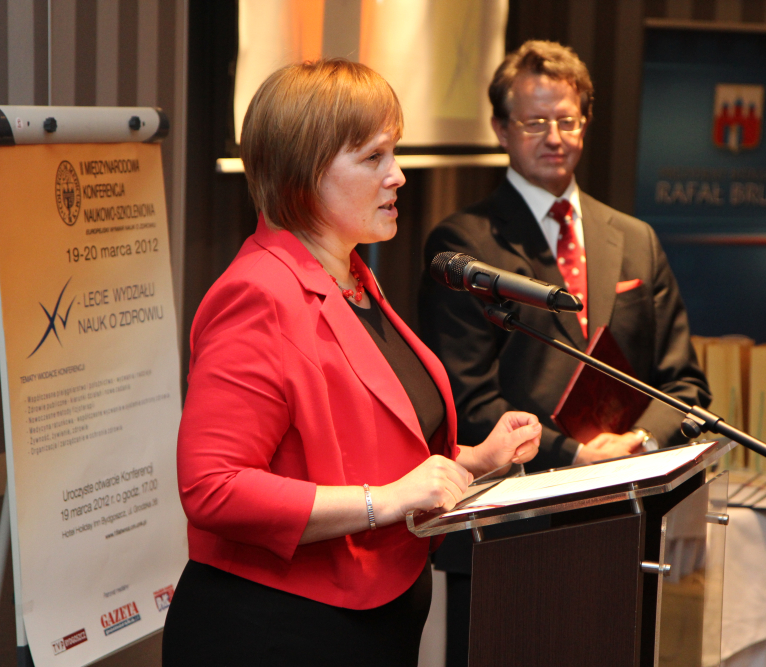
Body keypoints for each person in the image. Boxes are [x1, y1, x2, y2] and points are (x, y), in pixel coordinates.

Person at [162, 59, 542, 667]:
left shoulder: (354, 279)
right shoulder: (259, 293)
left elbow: (363, 452)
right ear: (303, 175)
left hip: (372, 623)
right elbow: (213, 488)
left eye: (395, 152)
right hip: (278, 631)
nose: (398, 175)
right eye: (373, 157)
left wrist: (475, 460)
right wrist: (383, 502)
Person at [418, 40, 710, 666]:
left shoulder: (636, 239)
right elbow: (465, 401)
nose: (554, 137)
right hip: (508, 534)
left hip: (624, 527)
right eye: (534, 122)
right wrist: (575, 457)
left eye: (567, 119)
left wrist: (638, 447)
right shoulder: (464, 245)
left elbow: (684, 386)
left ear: (586, 123)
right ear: (501, 129)